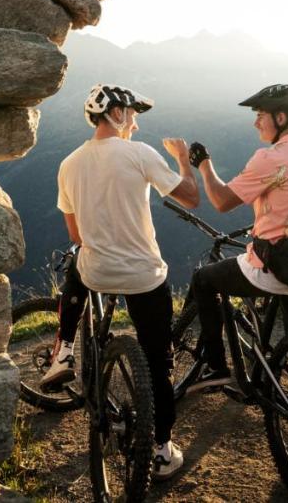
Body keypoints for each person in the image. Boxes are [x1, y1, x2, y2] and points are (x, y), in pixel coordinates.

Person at [41, 83, 199, 480]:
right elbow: (191, 197)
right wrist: (182, 160)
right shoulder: (140, 154)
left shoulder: (69, 163)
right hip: (144, 276)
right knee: (159, 361)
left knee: (78, 260)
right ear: (116, 114)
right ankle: (162, 451)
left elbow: (76, 235)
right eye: (133, 115)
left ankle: (65, 348)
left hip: (96, 271)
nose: (136, 124)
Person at [186, 82, 288, 390]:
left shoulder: (270, 158)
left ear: (280, 118)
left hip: (274, 268)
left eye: (260, 115)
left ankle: (216, 366)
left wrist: (204, 165)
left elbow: (223, 201)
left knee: (203, 279)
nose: (256, 122)